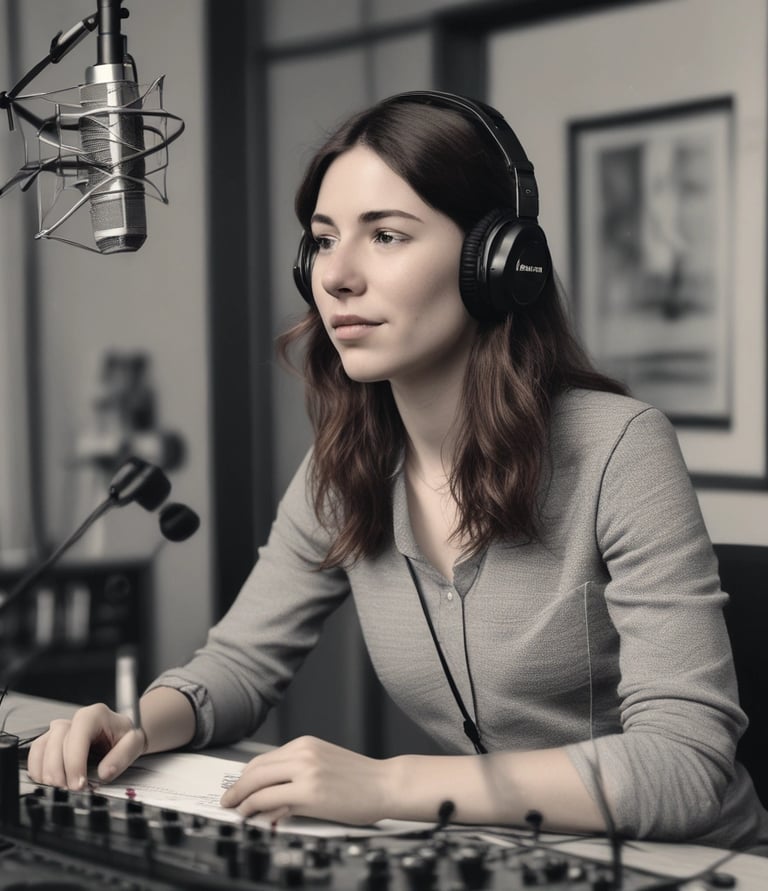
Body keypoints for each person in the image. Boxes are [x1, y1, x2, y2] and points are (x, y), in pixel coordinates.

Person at [27, 90, 768, 851]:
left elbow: (685, 764)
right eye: (321, 241)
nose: (337, 276)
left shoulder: (620, 447)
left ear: (496, 262)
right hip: (513, 855)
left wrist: (387, 785)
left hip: (700, 862)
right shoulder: (344, 465)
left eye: (386, 235)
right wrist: (137, 724)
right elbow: (240, 663)